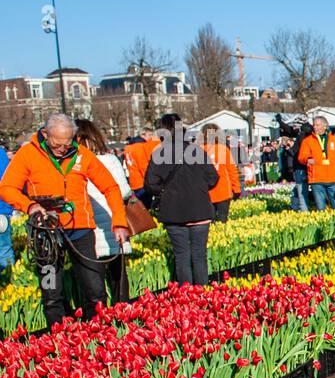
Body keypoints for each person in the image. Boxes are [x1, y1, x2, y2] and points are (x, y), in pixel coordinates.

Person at [0, 113, 130, 324]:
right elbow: (7, 188)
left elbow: (111, 187)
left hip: (80, 230)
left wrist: (119, 222)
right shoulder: (28, 154)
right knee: (52, 292)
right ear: (45, 134)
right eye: (57, 144)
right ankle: (59, 341)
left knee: (94, 290)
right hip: (46, 233)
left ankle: (100, 334)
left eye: (67, 143)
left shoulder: (82, 154)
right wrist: (30, 206)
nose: (63, 149)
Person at [145, 114, 219, 287]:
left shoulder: (159, 154)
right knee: (199, 255)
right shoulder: (196, 151)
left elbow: (150, 184)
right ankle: (202, 295)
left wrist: (164, 191)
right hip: (199, 209)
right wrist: (198, 189)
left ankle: (186, 299)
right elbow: (213, 178)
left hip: (173, 212)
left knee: (181, 256)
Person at [75, 119, 132, 301]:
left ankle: (99, 322)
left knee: (93, 278)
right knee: (119, 274)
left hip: (88, 227)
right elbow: (124, 191)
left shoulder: (74, 163)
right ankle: (123, 313)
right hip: (113, 222)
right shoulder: (110, 160)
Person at [298, 116, 335, 210]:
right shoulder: (308, 141)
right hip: (317, 179)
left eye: (318, 125)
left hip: (332, 178)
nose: (315, 127)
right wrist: (307, 159)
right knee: (321, 208)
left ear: (325, 126)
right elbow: (301, 156)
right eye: (314, 125)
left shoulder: (334, 140)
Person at [200, 124, 241, 222]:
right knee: (223, 220)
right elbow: (232, 170)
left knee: (209, 222)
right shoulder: (223, 149)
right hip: (223, 191)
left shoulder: (199, 150)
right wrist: (236, 188)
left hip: (205, 192)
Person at [0, 145, 12, 272]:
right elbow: (7, 183)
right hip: (1, 212)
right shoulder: (1, 154)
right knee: (4, 253)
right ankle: (8, 284)